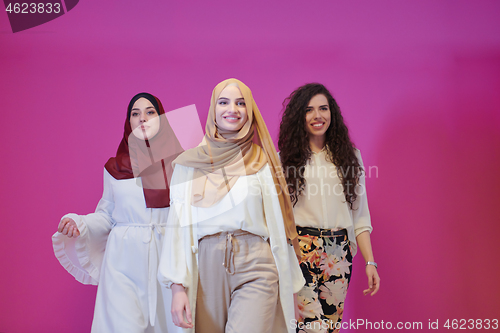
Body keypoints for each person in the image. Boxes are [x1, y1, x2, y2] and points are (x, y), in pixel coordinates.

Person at [157, 78, 305, 333]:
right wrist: (177, 286)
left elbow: (277, 224)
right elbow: (177, 225)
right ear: (213, 110)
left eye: (240, 103)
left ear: (250, 111)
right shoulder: (188, 164)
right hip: (204, 267)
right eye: (223, 102)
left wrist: (290, 282)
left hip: (256, 262)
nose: (232, 110)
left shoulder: (263, 161)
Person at [52, 92, 183, 332]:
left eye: (150, 112)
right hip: (123, 262)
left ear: (161, 119)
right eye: (135, 114)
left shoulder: (181, 164)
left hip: (166, 259)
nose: (142, 118)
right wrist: (79, 223)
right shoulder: (115, 168)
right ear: (129, 122)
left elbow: (189, 215)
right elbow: (107, 216)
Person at [278, 83, 380, 333]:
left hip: (338, 251)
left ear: (332, 113)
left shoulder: (350, 157)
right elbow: (278, 215)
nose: (317, 116)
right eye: (309, 110)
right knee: (310, 327)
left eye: (323, 108)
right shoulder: (285, 160)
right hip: (301, 248)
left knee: (330, 327)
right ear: (299, 116)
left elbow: (360, 216)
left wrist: (370, 262)